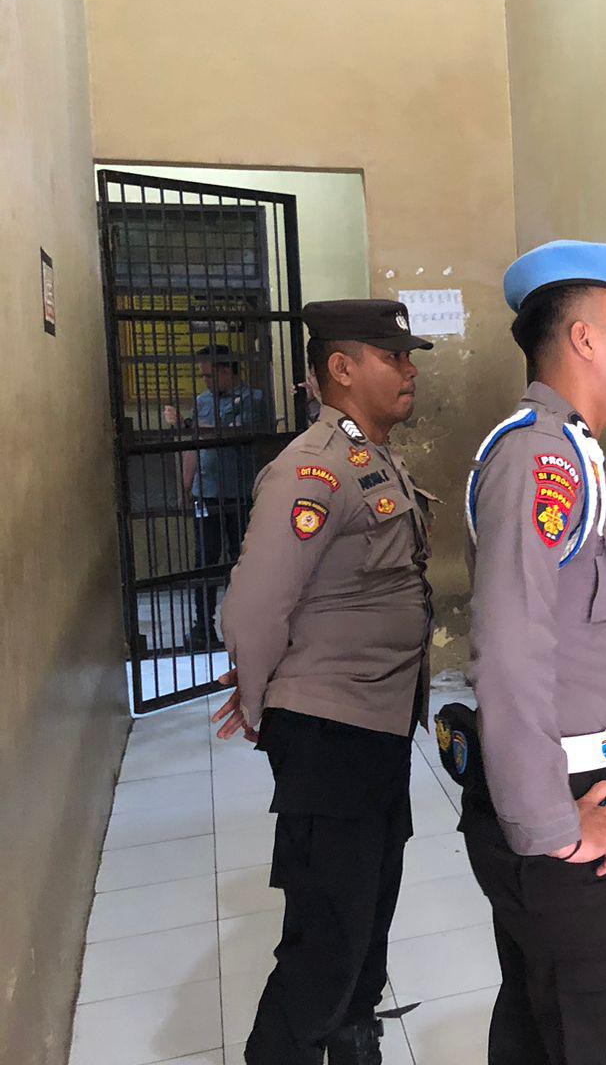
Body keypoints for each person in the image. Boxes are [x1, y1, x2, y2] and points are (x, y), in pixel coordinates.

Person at [460, 239, 606, 1064]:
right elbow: (510, 652)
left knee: (544, 1024)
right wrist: (551, 824)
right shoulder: (540, 458)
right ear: (584, 338)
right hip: (565, 795)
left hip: (583, 781)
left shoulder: (572, 450)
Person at [212, 299, 436, 1065]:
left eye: (409, 355)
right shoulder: (312, 468)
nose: (409, 369)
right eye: (393, 356)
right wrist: (257, 700)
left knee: (368, 913)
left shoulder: (375, 457)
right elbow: (254, 606)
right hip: (331, 733)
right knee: (327, 939)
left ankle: (352, 1037)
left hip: (376, 728)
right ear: (341, 368)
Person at [162, 344, 266, 651]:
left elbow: (233, 433)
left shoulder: (254, 399)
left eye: (209, 375)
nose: (206, 381)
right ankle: (202, 628)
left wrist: (186, 425)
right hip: (206, 493)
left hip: (239, 492)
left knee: (241, 561)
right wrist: (186, 485)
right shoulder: (202, 401)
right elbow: (194, 444)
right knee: (204, 563)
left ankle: (243, 625)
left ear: (225, 371)